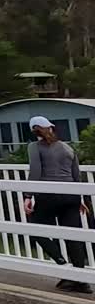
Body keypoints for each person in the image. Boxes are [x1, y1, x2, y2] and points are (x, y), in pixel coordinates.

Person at [23, 115, 91, 294]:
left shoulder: (34, 147)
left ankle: (63, 266)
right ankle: (82, 282)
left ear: (33, 131)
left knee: (36, 229)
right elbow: (77, 175)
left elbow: (36, 171)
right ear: (51, 128)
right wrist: (81, 199)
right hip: (71, 196)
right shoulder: (68, 147)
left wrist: (28, 196)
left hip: (48, 196)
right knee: (73, 236)